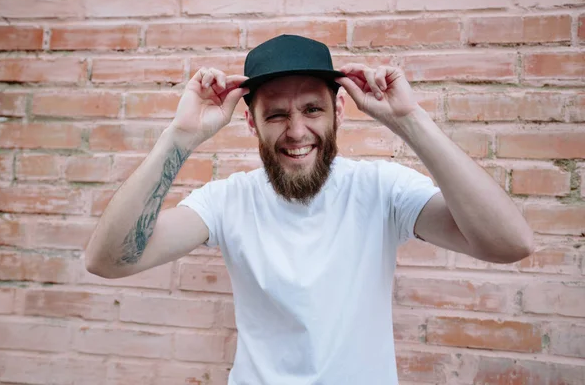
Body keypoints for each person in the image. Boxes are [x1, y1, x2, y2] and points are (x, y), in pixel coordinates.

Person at [85, 35, 534, 384]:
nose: (297, 131)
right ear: (250, 122)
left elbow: (509, 243)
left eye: (313, 109)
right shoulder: (227, 200)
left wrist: (409, 120)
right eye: (277, 114)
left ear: (339, 109)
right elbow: (107, 260)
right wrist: (180, 136)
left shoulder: (381, 189)